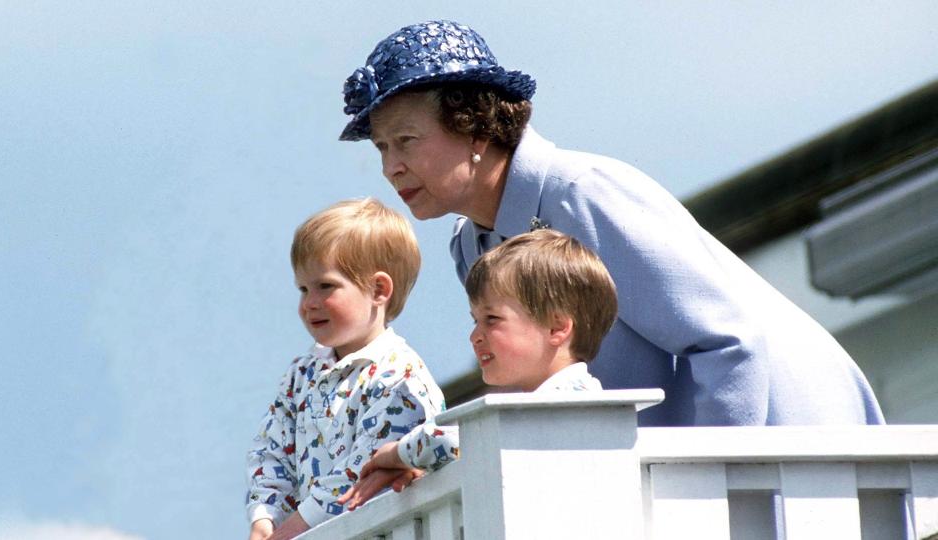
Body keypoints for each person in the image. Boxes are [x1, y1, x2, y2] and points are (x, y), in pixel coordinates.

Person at [338, 20, 884, 427]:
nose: (391, 168)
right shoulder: (472, 244)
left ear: (475, 127)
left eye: (406, 141)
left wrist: (703, 496)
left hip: (797, 453)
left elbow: (727, 341)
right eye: (382, 148)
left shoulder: (582, 193)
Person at [338, 228, 618, 510]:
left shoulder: (570, 399)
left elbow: (458, 440)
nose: (475, 336)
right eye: (475, 321)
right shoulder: (551, 403)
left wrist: (396, 454)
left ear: (557, 327)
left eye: (492, 319)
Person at [245, 198, 446, 540]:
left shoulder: (401, 376)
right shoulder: (302, 372)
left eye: (326, 286)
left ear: (378, 289)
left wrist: (294, 529)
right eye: (303, 288)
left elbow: (365, 468)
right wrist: (265, 516)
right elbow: (271, 447)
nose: (309, 302)